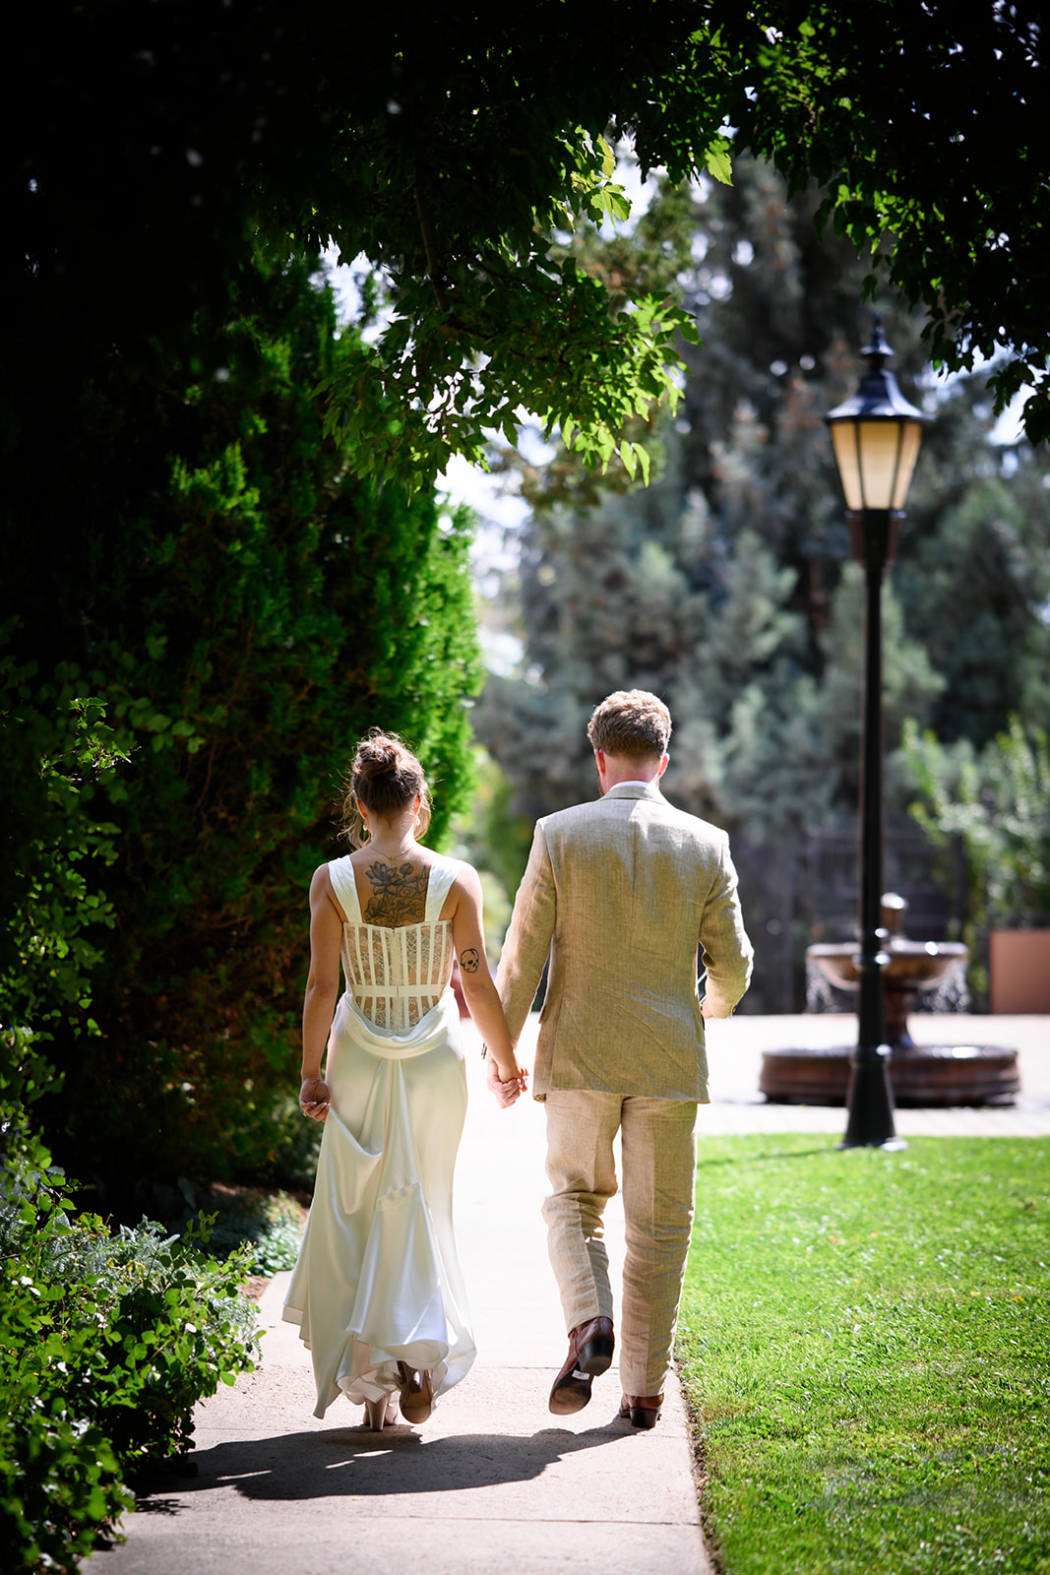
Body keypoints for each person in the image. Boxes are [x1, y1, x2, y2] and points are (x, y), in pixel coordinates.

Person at [492, 690, 753, 1430]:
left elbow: (522, 956)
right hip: (669, 1058)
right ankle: (641, 1393)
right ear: (663, 761)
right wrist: (710, 1007)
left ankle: (590, 1319)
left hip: (580, 1053)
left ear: (600, 758)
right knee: (661, 1227)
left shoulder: (559, 834)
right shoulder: (707, 843)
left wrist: (503, 1052)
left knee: (574, 1200)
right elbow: (733, 964)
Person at [283, 730, 526, 1431]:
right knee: (421, 1199)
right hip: (432, 1060)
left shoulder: (331, 880)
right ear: (419, 802)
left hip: (358, 1055)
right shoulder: (456, 880)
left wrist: (310, 1072)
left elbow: (321, 987)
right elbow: (476, 983)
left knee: (362, 1208)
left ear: (361, 806)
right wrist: (506, 1063)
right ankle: (417, 1354)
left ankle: (377, 1386)